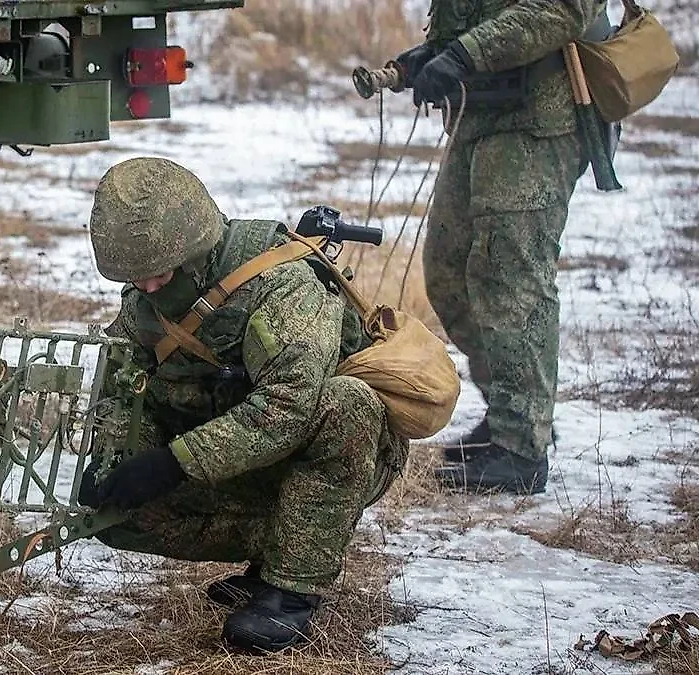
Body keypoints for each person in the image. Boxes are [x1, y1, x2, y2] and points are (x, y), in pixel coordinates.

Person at [76, 157, 409, 653]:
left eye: (158, 275)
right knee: (117, 514)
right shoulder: (145, 302)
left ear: (193, 251)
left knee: (346, 405)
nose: (147, 288)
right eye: (135, 277)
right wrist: (122, 457)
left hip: (346, 455)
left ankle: (292, 588)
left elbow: (289, 406)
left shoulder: (283, 285)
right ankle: (279, 546)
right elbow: (125, 391)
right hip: (240, 463)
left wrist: (175, 463)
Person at [394, 0, 609, 494]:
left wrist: (465, 54)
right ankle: (513, 412)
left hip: (539, 118)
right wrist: (436, 52)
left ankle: (521, 446)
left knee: (510, 277)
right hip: (480, 115)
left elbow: (563, 9)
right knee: (448, 271)